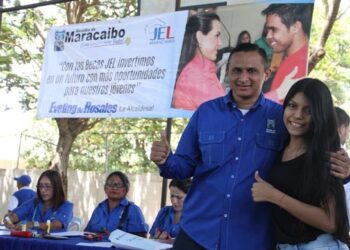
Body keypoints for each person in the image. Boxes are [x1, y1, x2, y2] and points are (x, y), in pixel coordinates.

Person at [151, 43, 350, 250]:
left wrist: (346, 169)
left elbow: (313, 154)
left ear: (266, 73)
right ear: (227, 72)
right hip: (198, 233)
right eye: (237, 70)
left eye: (252, 71)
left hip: (253, 239)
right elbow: (183, 166)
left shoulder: (282, 118)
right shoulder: (205, 113)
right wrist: (166, 160)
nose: (243, 78)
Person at [252, 78, 350, 249]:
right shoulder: (280, 146)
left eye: (309, 110)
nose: (298, 115)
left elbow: (330, 221)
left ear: (320, 114)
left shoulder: (325, 156)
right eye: (292, 105)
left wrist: (274, 196)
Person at [172, 12, 226, 111]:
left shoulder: (201, 69)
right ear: (200, 37)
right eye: (216, 35)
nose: (220, 43)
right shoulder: (195, 74)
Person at [262, 4, 313, 103]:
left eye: (274, 30)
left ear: (295, 27)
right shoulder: (293, 57)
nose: (268, 36)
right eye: (267, 30)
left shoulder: (299, 65)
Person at [3, 170, 73, 232]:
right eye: (40, 186)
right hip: (32, 243)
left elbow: (58, 224)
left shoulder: (66, 206)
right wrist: (8, 220)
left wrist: (34, 224)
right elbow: (15, 215)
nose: (42, 190)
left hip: (55, 245)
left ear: (57, 188)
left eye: (47, 186)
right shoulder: (33, 203)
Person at [84, 171, 148, 237]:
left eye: (119, 185)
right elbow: (86, 232)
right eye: (110, 184)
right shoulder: (99, 208)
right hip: (94, 246)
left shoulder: (133, 210)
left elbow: (141, 239)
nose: (114, 188)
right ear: (105, 188)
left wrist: (116, 238)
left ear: (125, 190)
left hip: (119, 247)